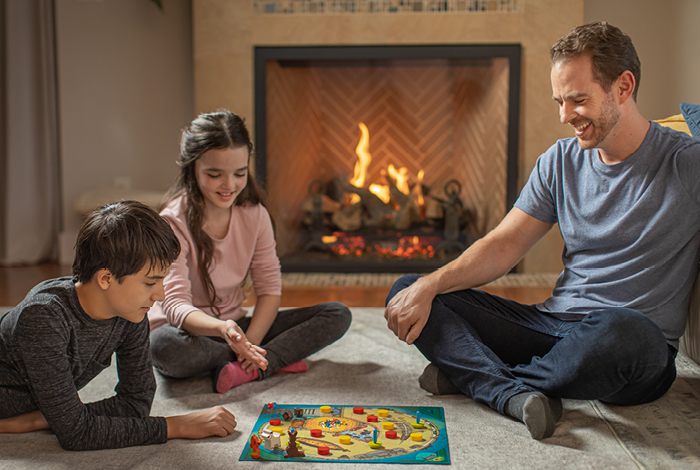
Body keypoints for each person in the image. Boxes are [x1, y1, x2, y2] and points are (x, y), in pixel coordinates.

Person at [384, 21, 700, 441]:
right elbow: (505, 243)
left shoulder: (686, 163)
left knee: (628, 331)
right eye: (559, 101)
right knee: (409, 288)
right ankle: (518, 390)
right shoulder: (560, 160)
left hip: (631, 348)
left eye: (578, 100)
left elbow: (627, 334)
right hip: (551, 329)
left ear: (623, 87)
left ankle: (482, 379)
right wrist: (430, 284)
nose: (565, 116)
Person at [0, 201, 257, 450]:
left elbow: (136, 404)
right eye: (149, 283)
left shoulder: (129, 312)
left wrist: (46, 420)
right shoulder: (44, 318)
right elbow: (77, 435)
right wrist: (175, 426)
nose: (161, 295)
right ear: (105, 278)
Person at [148, 110, 351, 393]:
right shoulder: (173, 222)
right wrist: (225, 332)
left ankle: (249, 366)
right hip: (191, 332)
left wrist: (249, 342)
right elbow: (176, 307)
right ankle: (273, 359)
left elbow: (269, 290)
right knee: (163, 347)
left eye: (239, 173)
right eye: (215, 174)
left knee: (337, 314)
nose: (229, 185)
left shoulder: (255, 215)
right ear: (192, 168)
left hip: (237, 330)